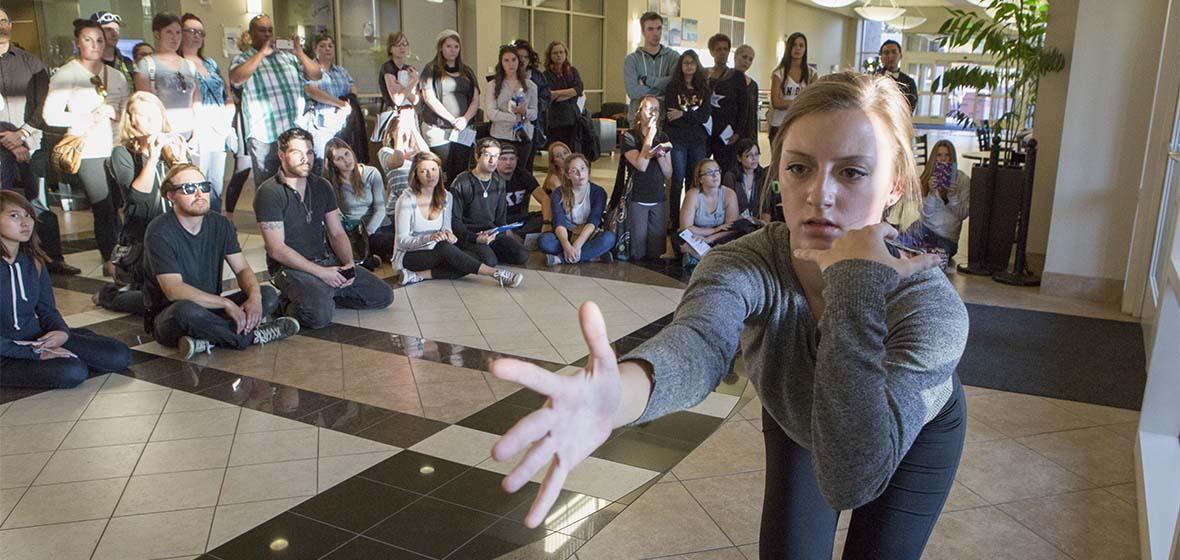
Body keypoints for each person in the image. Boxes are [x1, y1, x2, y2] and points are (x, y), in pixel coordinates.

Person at [488, 72, 964, 560]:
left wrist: (854, 285)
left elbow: (851, 478)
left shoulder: (929, 305)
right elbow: (699, 341)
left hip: (913, 434)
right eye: (800, 168)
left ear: (896, 185)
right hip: (798, 410)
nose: (820, 194)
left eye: (852, 172)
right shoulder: (748, 261)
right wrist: (619, 395)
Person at [144, 164, 299, 360]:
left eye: (204, 187)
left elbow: (242, 268)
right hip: (169, 316)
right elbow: (174, 289)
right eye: (189, 189)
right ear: (170, 196)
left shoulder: (220, 224)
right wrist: (225, 303)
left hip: (212, 309)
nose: (199, 193)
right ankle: (249, 336)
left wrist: (254, 298)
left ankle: (209, 339)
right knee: (187, 311)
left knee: (267, 294)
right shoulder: (159, 231)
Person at [254, 128, 393, 329]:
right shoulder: (269, 192)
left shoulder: (321, 186)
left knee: (383, 296)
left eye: (309, 152)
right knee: (319, 317)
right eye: (297, 152)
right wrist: (322, 274)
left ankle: (323, 293)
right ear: (281, 155)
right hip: (289, 268)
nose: (305, 158)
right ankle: (286, 303)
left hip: (326, 260)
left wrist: (348, 264)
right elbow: (277, 249)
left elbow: (336, 232)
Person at [1, 190, 131, 389]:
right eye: (14, 216)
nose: (25, 223)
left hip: (36, 338)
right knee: (71, 371)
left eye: (28, 215)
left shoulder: (33, 262)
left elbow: (47, 310)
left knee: (119, 355)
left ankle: (76, 340)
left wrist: (60, 332)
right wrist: (34, 353)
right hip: (5, 351)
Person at [42, 18, 130, 279]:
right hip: (88, 149)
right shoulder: (67, 74)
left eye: (99, 40)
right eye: (88, 40)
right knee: (102, 206)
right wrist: (88, 116)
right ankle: (109, 258)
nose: (94, 45)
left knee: (120, 203)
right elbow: (50, 115)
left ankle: (124, 253)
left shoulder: (115, 75)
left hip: (116, 147)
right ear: (77, 42)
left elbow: (124, 109)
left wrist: (121, 118)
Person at [94, 91, 190, 316]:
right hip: (143, 235)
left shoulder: (170, 146)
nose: (149, 121)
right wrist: (152, 156)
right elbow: (137, 197)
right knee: (157, 301)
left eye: (154, 115)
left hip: (174, 231)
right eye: (142, 115)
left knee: (180, 291)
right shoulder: (122, 153)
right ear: (131, 118)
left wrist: (180, 159)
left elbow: (189, 188)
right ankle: (111, 295)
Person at [0, 10, 79, 275]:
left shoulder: (31, 62)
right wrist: (10, 142)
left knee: (39, 204)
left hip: (31, 144)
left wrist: (22, 135)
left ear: (11, 26)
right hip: (1, 147)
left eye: (4, 21)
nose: (1, 26)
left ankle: (52, 258)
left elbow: (43, 105)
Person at [392, 152, 522, 287]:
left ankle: (418, 275)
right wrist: (429, 238)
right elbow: (402, 241)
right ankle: (495, 273)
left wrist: (449, 235)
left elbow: (446, 228)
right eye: (424, 171)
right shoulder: (406, 200)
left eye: (433, 169)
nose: (430, 175)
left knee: (473, 258)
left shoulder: (446, 197)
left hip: (437, 251)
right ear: (416, 175)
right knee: (446, 249)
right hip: (410, 255)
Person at [229, 14, 322, 183]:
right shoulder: (243, 59)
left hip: (293, 132)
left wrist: (300, 53)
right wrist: (262, 52)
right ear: (251, 33)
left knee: (298, 183)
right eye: (262, 30)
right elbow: (236, 78)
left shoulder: (288, 58)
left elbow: (316, 75)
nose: (267, 34)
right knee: (268, 188)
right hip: (264, 135)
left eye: (270, 30)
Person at [449, 138, 527, 285]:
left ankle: (483, 252)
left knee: (521, 254)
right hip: (469, 234)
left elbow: (500, 218)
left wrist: (498, 232)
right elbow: (455, 221)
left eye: (496, 156)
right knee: (489, 260)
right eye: (487, 155)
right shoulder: (462, 182)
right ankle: (467, 254)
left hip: (491, 233)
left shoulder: (499, 182)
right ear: (477, 156)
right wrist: (475, 238)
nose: (492, 160)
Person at [180, 13, 234, 213]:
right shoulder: (178, 63)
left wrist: (227, 116)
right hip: (195, 126)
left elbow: (226, 92)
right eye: (191, 31)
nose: (196, 36)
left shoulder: (209, 63)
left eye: (200, 33)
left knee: (216, 183)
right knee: (197, 180)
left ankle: (215, 226)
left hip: (218, 126)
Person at [663, 50, 711, 246]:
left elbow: (704, 116)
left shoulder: (703, 88)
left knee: (696, 180)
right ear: (681, 66)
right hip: (677, 141)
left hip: (698, 141)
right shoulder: (672, 87)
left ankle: (692, 219)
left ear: (697, 65)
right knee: (677, 179)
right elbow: (670, 117)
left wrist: (683, 115)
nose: (689, 66)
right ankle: (674, 221)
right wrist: (690, 118)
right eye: (685, 63)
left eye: (692, 63)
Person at [419, 29, 479, 184]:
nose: (453, 50)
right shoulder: (431, 69)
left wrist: (464, 120)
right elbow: (428, 97)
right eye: (448, 46)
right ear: (441, 48)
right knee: (442, 170)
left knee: (460, 170)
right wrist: (452, 120)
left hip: (463, 129)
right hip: (439, 128)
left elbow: (475, 99)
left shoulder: (467, 71)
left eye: (456, 46)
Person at [621, 95, 672, 261]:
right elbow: (641, 165)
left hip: (658, 197)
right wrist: (650, 137)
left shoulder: (663, 137)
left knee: (656, 251)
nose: (652, 113)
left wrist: (660, 155)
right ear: (639, 112)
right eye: (648, 108)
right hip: (638, 197)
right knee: (638, 251)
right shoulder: (629, 136)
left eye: (656, 109)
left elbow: (668, 173)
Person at [900, 140, 969, 260]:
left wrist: (952, 197)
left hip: (947, 238)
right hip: (924, 228)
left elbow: (963, 215)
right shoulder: (928, 178)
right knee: (897, 245)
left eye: (947, 155)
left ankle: (918, 253)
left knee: (933, 259)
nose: (943, 159)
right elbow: (926, 214)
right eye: (939, 155)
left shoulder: (963, 180)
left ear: (952, 158)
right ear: (934, 158)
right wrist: (932, 193)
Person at [375, 108, 429, 262]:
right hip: (397, 213)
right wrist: (398, 136)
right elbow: (396, 161)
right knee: (381, 239)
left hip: (419, 209)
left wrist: (411, 125)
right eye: (399, 130)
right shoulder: (385, 152)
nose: (403, 133)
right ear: (391, 133)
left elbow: (427, 155)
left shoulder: (415, 154)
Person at [539, 153, 613, 266]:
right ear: (568, 175)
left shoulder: (598, 192)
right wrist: (567, 245)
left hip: (588, 235)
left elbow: (594, 221)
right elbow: (559, 222)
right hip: (566, 234)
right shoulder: (558, 193)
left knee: (609, 238)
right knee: (544, 241)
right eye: (574, 171)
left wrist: (577, 245)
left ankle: (560, 259)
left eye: (583, 168)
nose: (580, 174)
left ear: (588, 170)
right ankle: (592, 256)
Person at [135, 14, 200, 141]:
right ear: (157, 34)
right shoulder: (147, 65)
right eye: (169, 32)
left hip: (187, 132)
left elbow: (196, 101)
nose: (174, 37)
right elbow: (143, 105)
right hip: (161, 132)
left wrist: (196, 132)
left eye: (178, 33)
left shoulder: (190, 66)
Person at [323, 138, 385, 270]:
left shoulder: (371, 173)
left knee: (381, 241)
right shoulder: (330, 183)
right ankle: (366, 258)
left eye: (347, 154)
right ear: (332, 164)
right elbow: (336, 215)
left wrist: (367, 233)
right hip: (351, 230)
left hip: (375, 228)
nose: (346, 160)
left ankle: (370, 255)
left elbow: (380, 209)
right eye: (339, 158)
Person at [301, 34, 356, 166]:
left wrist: (346, 103)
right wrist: (338, 103)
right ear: (315, 49)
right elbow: (311, 90)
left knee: (342, 164)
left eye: (330, 46)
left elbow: (353, 89)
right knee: (321, 164)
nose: (327, 49)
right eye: (322, 46)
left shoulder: (341, 71)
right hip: (320, 126)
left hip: (342, 124)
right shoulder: (309, 69)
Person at [678, 158, 739, 265]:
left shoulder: (729, 194)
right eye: (709, 172)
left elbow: (731, 227)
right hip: (698, 235)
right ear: (700, 179)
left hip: (720, 236)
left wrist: (710, 238)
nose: (715, 176)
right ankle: (713, 257)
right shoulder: (693, 194)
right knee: (680, 237)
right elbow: (686, 227)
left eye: (717, 171)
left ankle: (700, 256)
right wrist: (714, 230)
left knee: (737, 234)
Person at [485, 45, 538, 163]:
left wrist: (524, 112)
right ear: (501, 63)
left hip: (523, 135)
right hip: (501, 134)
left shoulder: (531, 86)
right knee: (502, 169)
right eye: (506, 60)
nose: (511, 64)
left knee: (521, 170)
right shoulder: (493, 85)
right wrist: (514, 118)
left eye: (514, 60)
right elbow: (491, 112)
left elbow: (534, 114)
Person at [706, 33, 749, 176]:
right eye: (718, 49)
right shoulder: (704, 75)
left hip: (726, 132)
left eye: (725, 49)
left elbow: (744, 107)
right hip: (705, 132)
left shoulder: (737, 76)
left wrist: (738, 132)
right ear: (712, 52)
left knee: (725, 172)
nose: (722, 52)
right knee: (702, 168)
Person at [623, 12, 677, 118]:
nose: (655, 33)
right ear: (643, 31)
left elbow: (673, 86)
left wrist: (647, 81)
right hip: (638, 119)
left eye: (659, 28)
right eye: (650, 29)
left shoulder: (673, 57)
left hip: (666, 118)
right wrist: (662, 90)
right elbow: (633, 92)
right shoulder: (631, 60)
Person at [514, 39, 548, 173]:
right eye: (519, 57)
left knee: (527, 165)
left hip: (531, 125)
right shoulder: (506, 76)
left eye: (525, 57)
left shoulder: (537, 77)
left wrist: (528, 108)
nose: (522, 60)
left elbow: (545, 98)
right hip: (509, 125)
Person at [770, 33, 811, 143]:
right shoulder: (779, 73)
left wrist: (787, 102)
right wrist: (801, 103)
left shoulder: (812, 73)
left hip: (802, 124)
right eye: (794, 45)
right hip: (780, 124)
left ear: (805, 49)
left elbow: (813, 101)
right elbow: (777, 103)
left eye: (801, 45)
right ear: (789, 48)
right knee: (779, 160)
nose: (797, 48)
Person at [542, 41, 583, 150]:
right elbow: (548, 95)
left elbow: (578, 90)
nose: (559, 55)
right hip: (555, 120)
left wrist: (557, 93)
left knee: (572, 150)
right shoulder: (546, 75)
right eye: (555, 53)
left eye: (561, 52)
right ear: (550, 56)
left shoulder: (573, 72)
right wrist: (570, 93)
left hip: (573, 118)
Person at [497, 143, 542, 237]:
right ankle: (518, 238)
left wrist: (547, 222)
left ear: (517, 159)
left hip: (519, 220)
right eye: (504, 159)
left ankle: (516, 237)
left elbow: (544, 199)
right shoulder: (490, 178)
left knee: (545, 216)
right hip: (498, 221)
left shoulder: (523, 175)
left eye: (512, 159)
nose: (508, 163)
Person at [722, 137, 767, 220]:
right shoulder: (730, 177)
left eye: (756, 154)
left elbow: (766, 207)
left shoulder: (763, 175)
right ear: (739, 158)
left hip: (758, 223)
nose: (754, 158)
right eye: (749, 155)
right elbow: (727, 208)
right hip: (737, 222)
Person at [90, 11, 135, 84]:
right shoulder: (84, 63)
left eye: (117, 30)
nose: (115, 34)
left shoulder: (127, 63)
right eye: (108, 29)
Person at [536, 140, 571, 234]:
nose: (564, 157)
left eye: (565, 153)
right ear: (554, 162)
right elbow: (567, 204)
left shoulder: (575, 173)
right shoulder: (554, 179)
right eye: (558, 156)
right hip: (559, 219)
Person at [378, 32, 418, 112]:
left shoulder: (410, 69)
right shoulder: (387, 68)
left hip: (409, 113)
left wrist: (401, 88)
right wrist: (414, 81)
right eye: (397, 44)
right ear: (390, 49)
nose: (402, 47)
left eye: (404, 44)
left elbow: (416, 100)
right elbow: (398, 100)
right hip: (394, 113)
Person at [877, 40, 917, 114]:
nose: (890, 56)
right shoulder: (873, 79)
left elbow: (911, 107)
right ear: (881, 57)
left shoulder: (909, 82)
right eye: (886, 53)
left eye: (894, 52)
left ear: (900, 56)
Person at [733, 44, 759, 142]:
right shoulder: (725, 80)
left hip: (747, 134)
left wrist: (754, 140)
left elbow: (754, 114)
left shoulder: (753, 85)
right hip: (729, 132)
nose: (746, 62)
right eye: (744, 57)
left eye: (750, 59)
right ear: (735, 57)